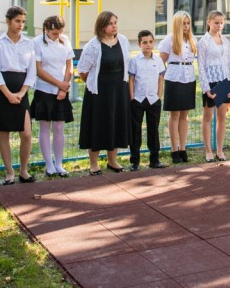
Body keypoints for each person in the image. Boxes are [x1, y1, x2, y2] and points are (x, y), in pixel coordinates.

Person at [77, 11, 131, 174]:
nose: (114, 26)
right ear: (102, 26)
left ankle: (112, 160)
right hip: (99, 93)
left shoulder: (123, 41)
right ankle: (94, 164)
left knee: (116, 123)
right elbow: (82, 70)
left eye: (115, 23)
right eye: (110, 24)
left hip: (119, 90)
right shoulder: (93, 45)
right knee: (98, 125)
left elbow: (126, 63)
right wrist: (95, 83)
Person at [0, 6, 37, 184]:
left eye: (23, 21)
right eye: (17, 21)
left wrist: (22, 92)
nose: (21, 25)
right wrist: (8, 94)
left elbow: (32, 72)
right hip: (3, 91)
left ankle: (23, 171)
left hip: (22, 91)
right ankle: (9, 172)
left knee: (26, 134)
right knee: (4, 133)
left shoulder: (29, 44)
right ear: (8, 21)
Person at [32, 15, 74, 178]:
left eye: (59, 32)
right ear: (46, 29)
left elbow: (69, 65)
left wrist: (64, 86)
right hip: (44, 90)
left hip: (61, 91)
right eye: (54, 33)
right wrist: (59, 84)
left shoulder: (65, 40)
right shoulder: (36, 42)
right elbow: (39, 70)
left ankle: (59, 164)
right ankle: (49, 165)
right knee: (44, 127)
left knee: (59, 127)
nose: (57, 36)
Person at [197, 10, 230, 162]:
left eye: (221, 23)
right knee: (207, 117)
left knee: (222, 117)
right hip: (210, 82)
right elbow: (200, 66)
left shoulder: (225, 40)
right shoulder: (203, 42)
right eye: (216, 22)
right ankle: (208, 151)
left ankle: (219, 150)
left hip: (224, 82)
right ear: (209, 22)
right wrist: (206, 87)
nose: (219, 25)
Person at [159, 11, 196, 163]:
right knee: (175, 115)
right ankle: (174, 149)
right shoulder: (168, 40)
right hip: (174, 79)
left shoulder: (192, 39)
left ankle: (183, 148)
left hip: (189, 78)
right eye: (183, 23)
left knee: (184, 116)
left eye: (188, 23)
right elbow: (160, 63)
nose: (186, 26)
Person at [128, 29, 165, 170]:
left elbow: (160, 79)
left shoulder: (158, 60)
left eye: (150, 42)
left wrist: (159, 96)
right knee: (135, 131)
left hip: (153, 100)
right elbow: (131, 80)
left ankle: (154, 160)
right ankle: (135, 161)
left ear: (153, 43)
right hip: (138, 100)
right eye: (144, 42)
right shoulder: (134, 61)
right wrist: (132, 98)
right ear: (139, 44)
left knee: (153, 130)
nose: (148, 45)